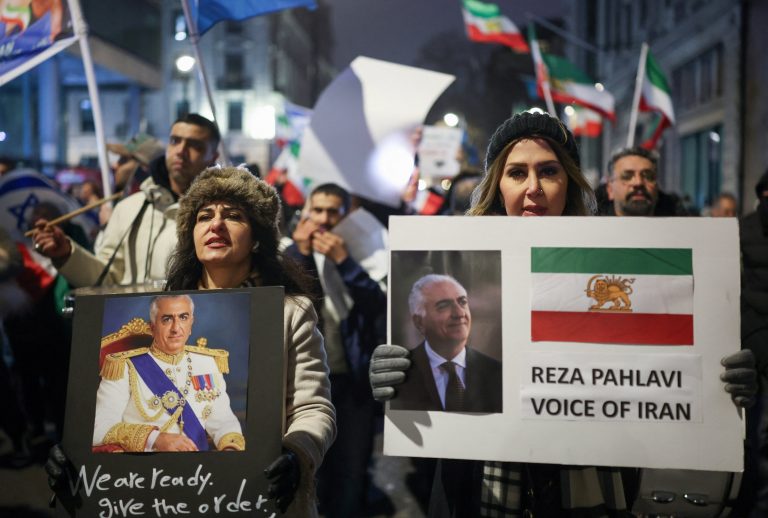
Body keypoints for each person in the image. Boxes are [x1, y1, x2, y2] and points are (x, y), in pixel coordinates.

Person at [370, 111, 757, 516]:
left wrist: (723, 382)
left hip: (587, 485)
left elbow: (666, 371)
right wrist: (400, 369)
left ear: (568, 181)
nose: (533, 188)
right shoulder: (458, 271)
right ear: (497, 186)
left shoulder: (619, 264)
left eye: (549, 171)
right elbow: (442, 371)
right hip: (484, 487)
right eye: (517, 173)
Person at [48, 166, 335, 515]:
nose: (215, 225)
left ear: (257, 236)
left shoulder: (288, 311)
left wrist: (296, 453)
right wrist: (72, 452)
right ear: (191, 234)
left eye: (232, 216)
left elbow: (313, 409)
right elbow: (100, 426)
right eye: (204, 217)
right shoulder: (150, 307)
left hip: (252, 497)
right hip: (151, 496)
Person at [285, 183, 386, 517]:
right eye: (318, 210)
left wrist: (345, 261)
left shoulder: (359, 250)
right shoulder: (289, 252)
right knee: (313, 467)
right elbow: (292, 302)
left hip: (351, 381)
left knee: (352, 469)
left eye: (333, 212)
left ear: (345, 216)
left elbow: (377, 302)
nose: (324, 220)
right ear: (307, 212)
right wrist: (299, 254)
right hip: (306, 384)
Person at [32, 113, 220, 287]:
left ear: (214, 157)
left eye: (195, 145)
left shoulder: (220, 215)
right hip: (132, 322)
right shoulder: (129, 208)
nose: (181, 150)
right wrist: (65, 254)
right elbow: (107, 279)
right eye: (175, 141)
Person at [92, 294, 244, 452]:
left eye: (183, 317)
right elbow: (99, 429)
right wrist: (155, 439)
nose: (176, 328)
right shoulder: (124, 367)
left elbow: (223, 420)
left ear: (191, 323)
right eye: (167, 319)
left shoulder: (207, 363)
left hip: (198, 467)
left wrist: (230, 449)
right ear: (152, 327)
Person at [390, 274, 501, 413]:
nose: (459, 313)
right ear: (419, 321)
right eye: (443, 306)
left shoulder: (498, 374)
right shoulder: (398, 374)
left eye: (462, 302)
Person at [602, 146, 688, 217]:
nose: (638, 182)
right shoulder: (592, 232)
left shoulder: (685, 230)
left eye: (648, 176)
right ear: (610, 189)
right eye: (627, 176)